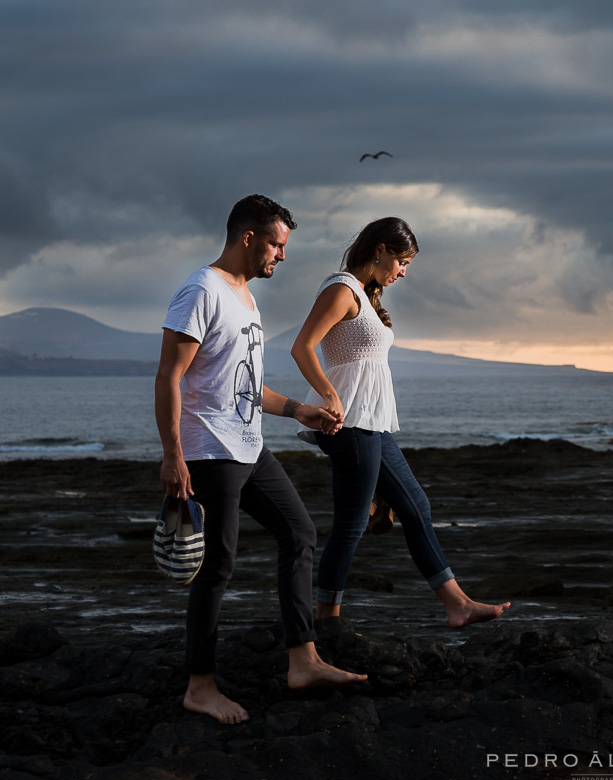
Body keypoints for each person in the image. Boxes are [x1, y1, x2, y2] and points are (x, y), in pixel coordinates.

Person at [155, 194, 367, 725]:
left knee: (300, 532)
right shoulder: (200, 291)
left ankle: (304, 659)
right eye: (277, 243)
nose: (282, 255)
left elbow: (246, 387)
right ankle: (199, 686)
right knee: (217, 566)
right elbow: (168, 378)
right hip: (209, 451)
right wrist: (173, 456)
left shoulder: (246, 297)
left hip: (249, 446)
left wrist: (300, 410)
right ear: (248, 237)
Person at [291, 216, 510, 628]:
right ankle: (326, 619)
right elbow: (302, 347)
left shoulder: (362, 294)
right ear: (381, 250)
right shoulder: (341, 288)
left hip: (371, 423)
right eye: (402, 262)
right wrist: (330, 393)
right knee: (352, 524)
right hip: (350, 422)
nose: (403, 272)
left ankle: (457, 604)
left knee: (414, 505)